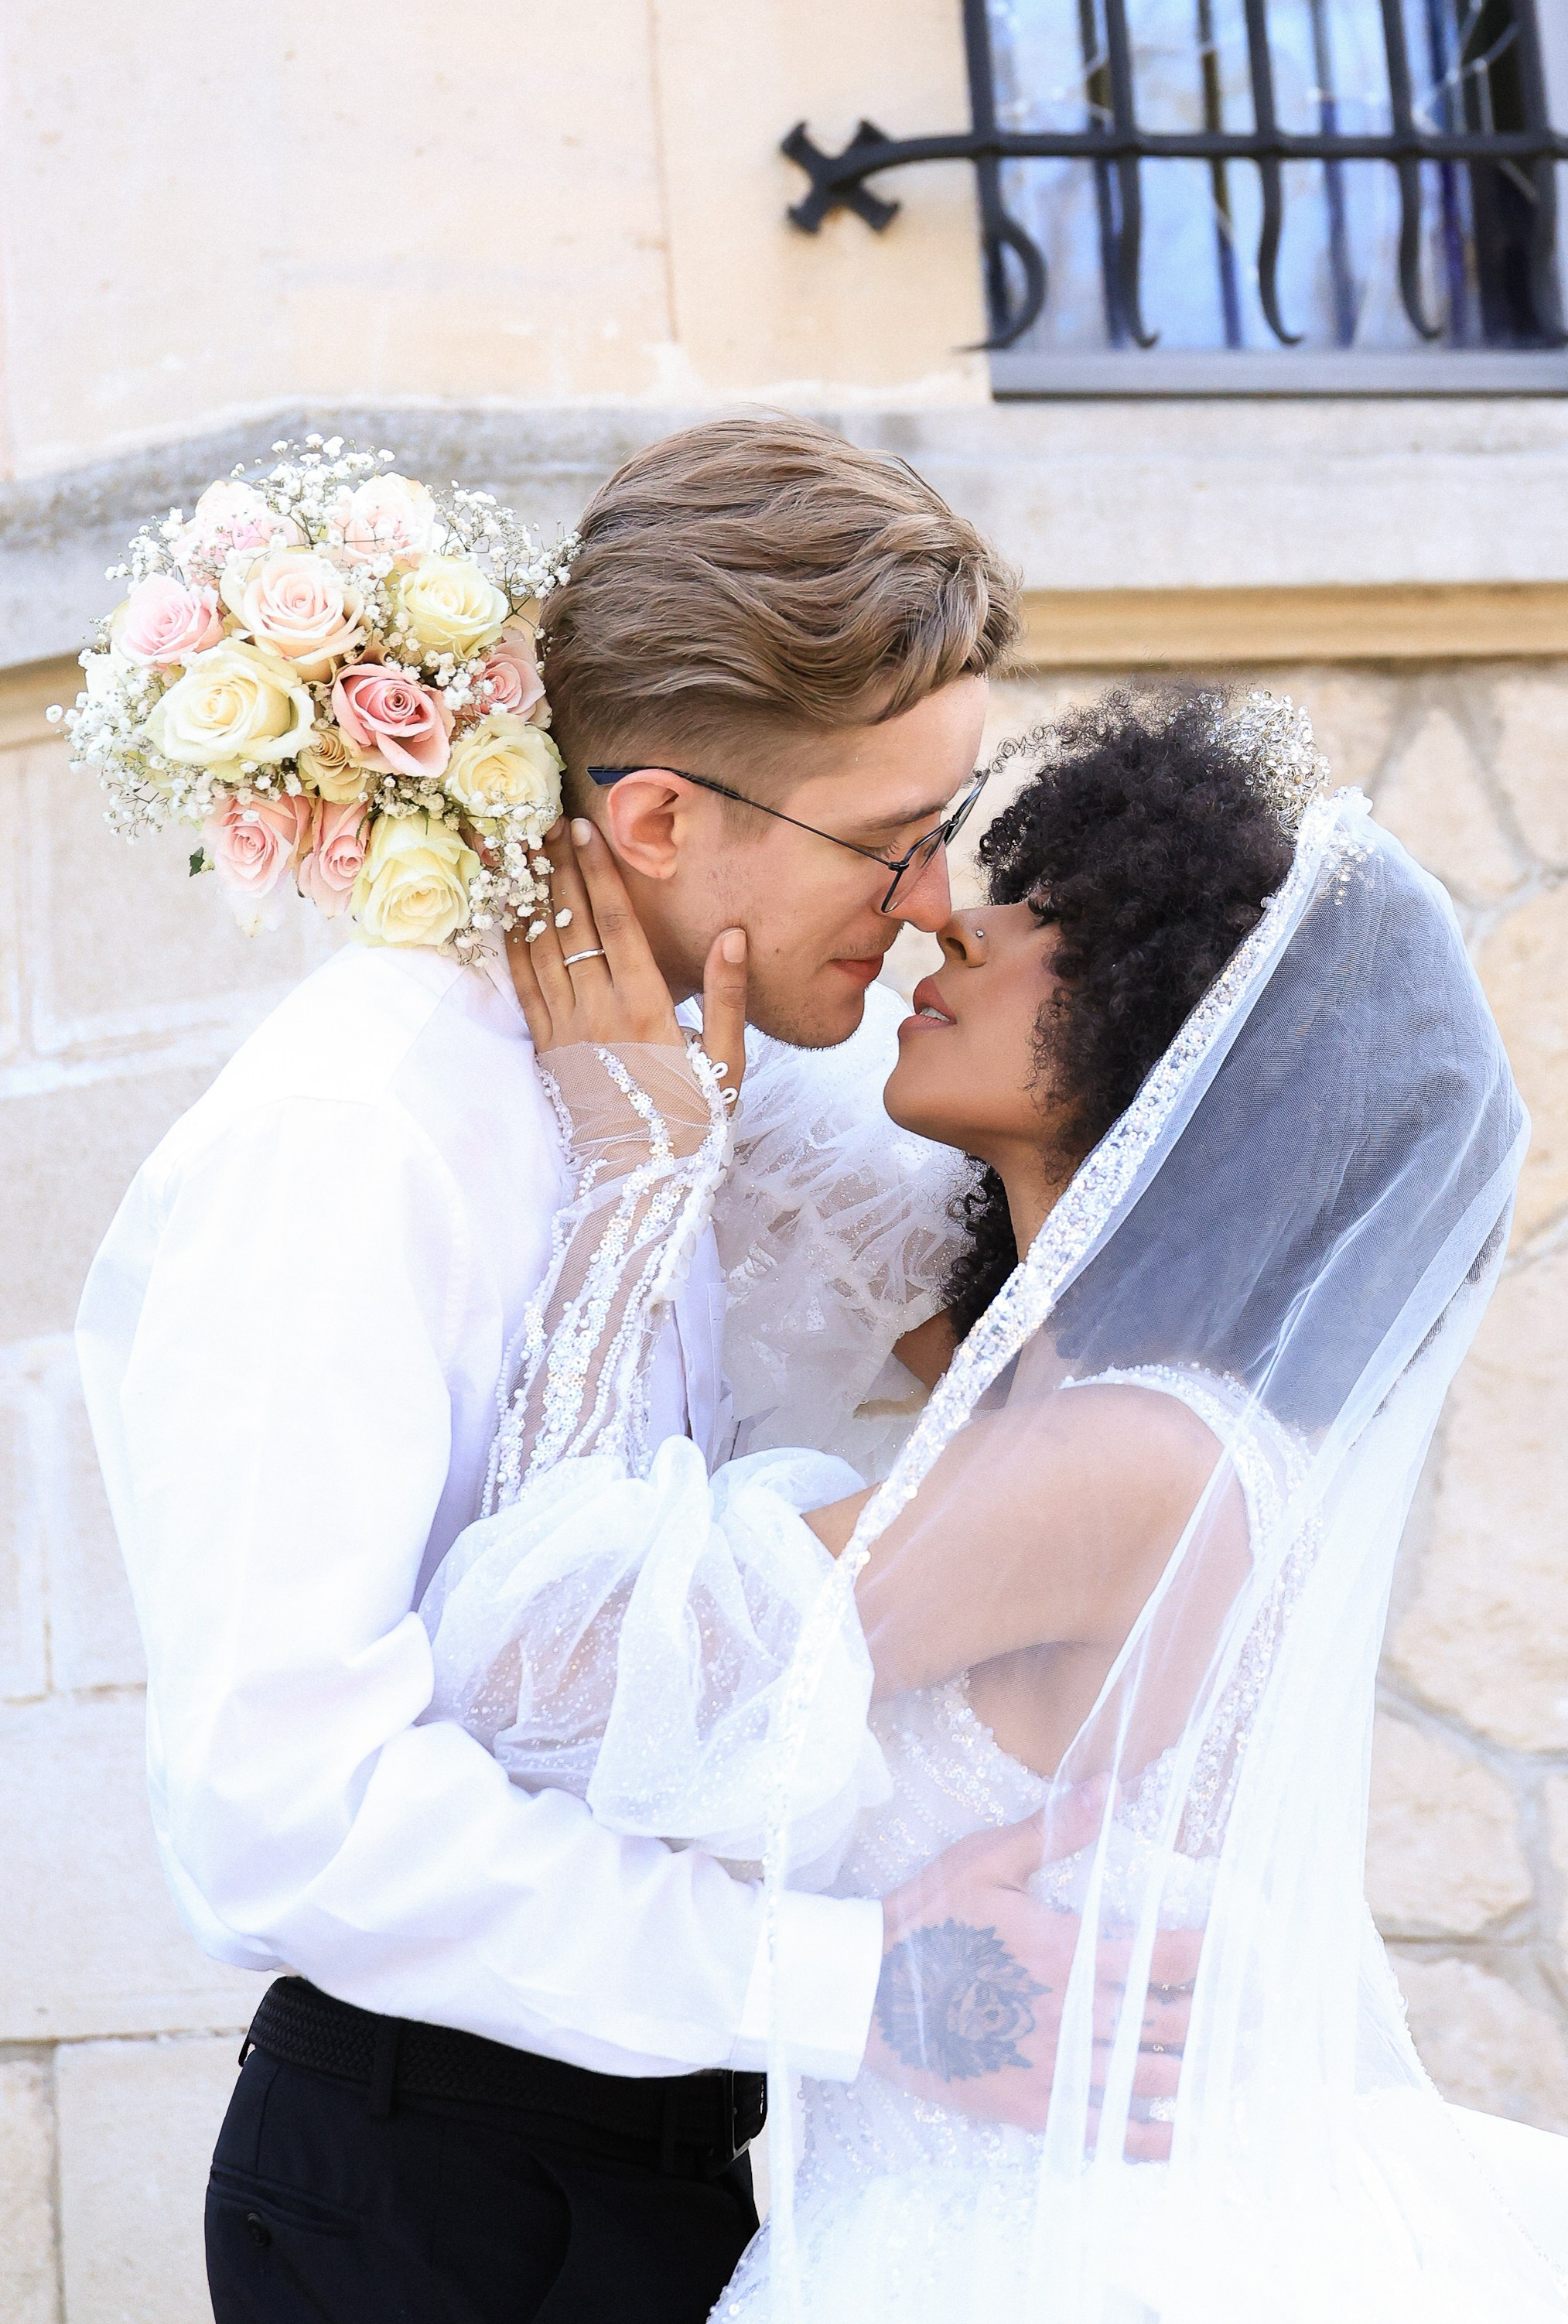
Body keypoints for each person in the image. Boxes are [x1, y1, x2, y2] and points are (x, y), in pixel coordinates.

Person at [429, 686, 1568, 2322]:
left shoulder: (1121, 1459)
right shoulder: (1048, 1397)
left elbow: (543, 1677)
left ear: (1172, 1030)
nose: (939, 908)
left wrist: (629, 1173)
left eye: (1042, 918)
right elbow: (846, 1228)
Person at [76, 417, 1139, 2324]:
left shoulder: (727, 1083)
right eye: (893, 844)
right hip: (438, 2199)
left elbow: (1068, 1366)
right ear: (655, 824)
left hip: (683, 2169)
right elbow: (280, 1805)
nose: (928, 906)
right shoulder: (357, 1134)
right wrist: (860, 1985)